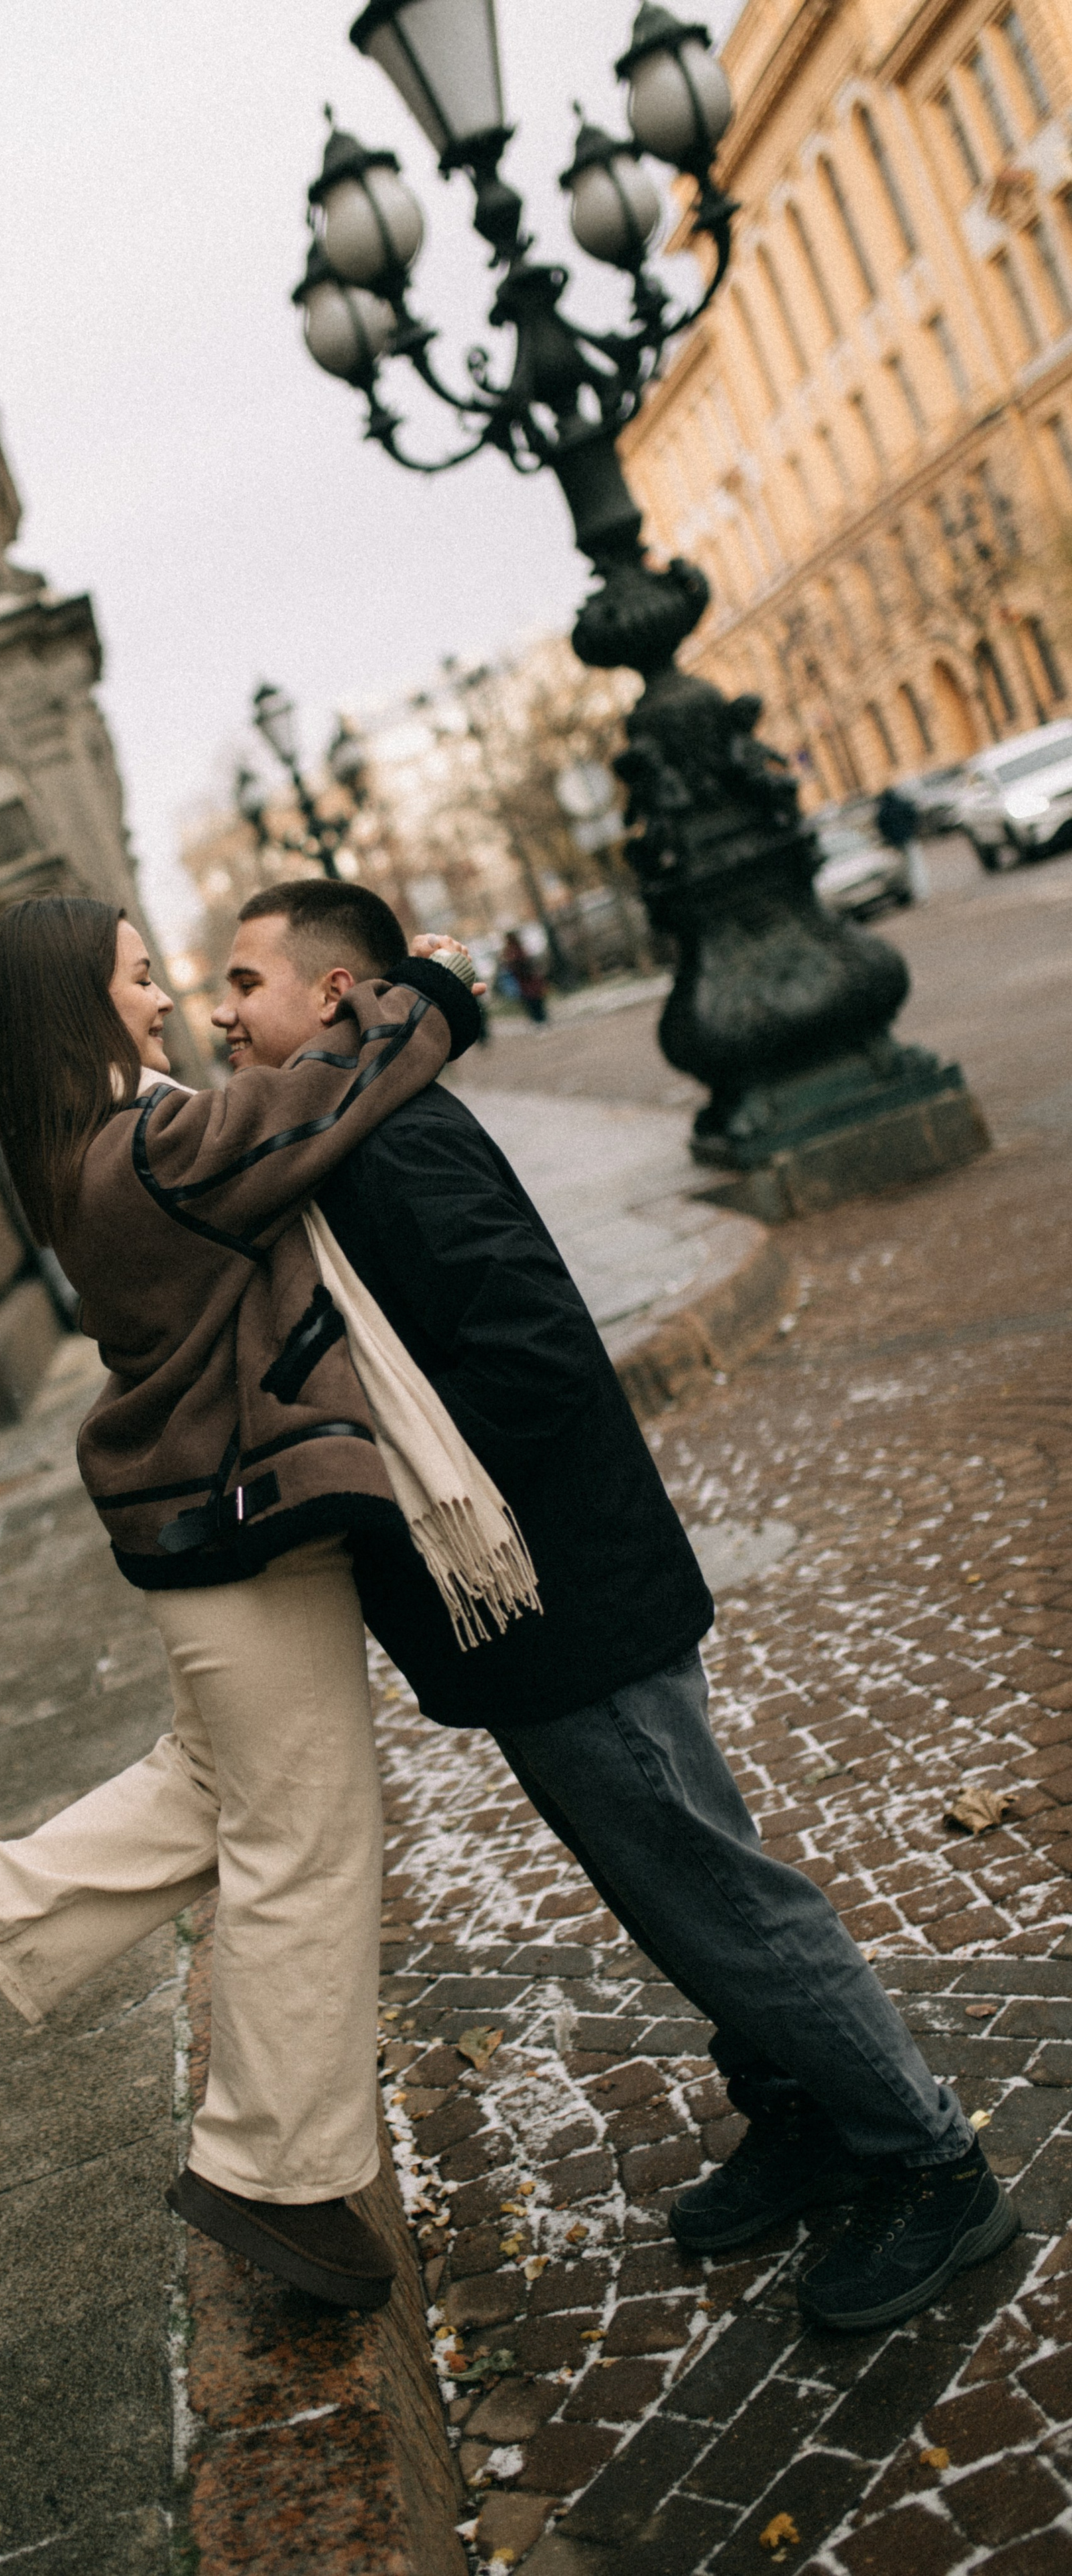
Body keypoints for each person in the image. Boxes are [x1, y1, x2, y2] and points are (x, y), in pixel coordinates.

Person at [210, 876, 1018, 2335]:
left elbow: (532, 1349)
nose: (220, 1010)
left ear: (330, 995)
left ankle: (930, 2160)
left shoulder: (389, 1143)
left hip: (572, 1598)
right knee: (674, 1896)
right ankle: (802, 2110)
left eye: (242, 981)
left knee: (720, 1893)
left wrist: (381, 1474)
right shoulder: (340, 1141)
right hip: (533, 1615)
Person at [0, 893, 485, 2311]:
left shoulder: (100, 1144)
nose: (167, 1001)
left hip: (215, 1540)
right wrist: (421, 990)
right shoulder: (138, 1150)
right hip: (239, 1547)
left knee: (215, 1786)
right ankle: (271, 2170)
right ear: (80, 1005)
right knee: (303, 1833)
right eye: (141, 981)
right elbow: (314, 1101)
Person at [501, 927, 550, 1026]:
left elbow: (516, 964)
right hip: (526, 979)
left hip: (525, 979)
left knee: (532, 999)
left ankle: (539, 1019)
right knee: (533, 998)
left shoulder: (514, 951)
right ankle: (540, 1019)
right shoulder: (517, 950)